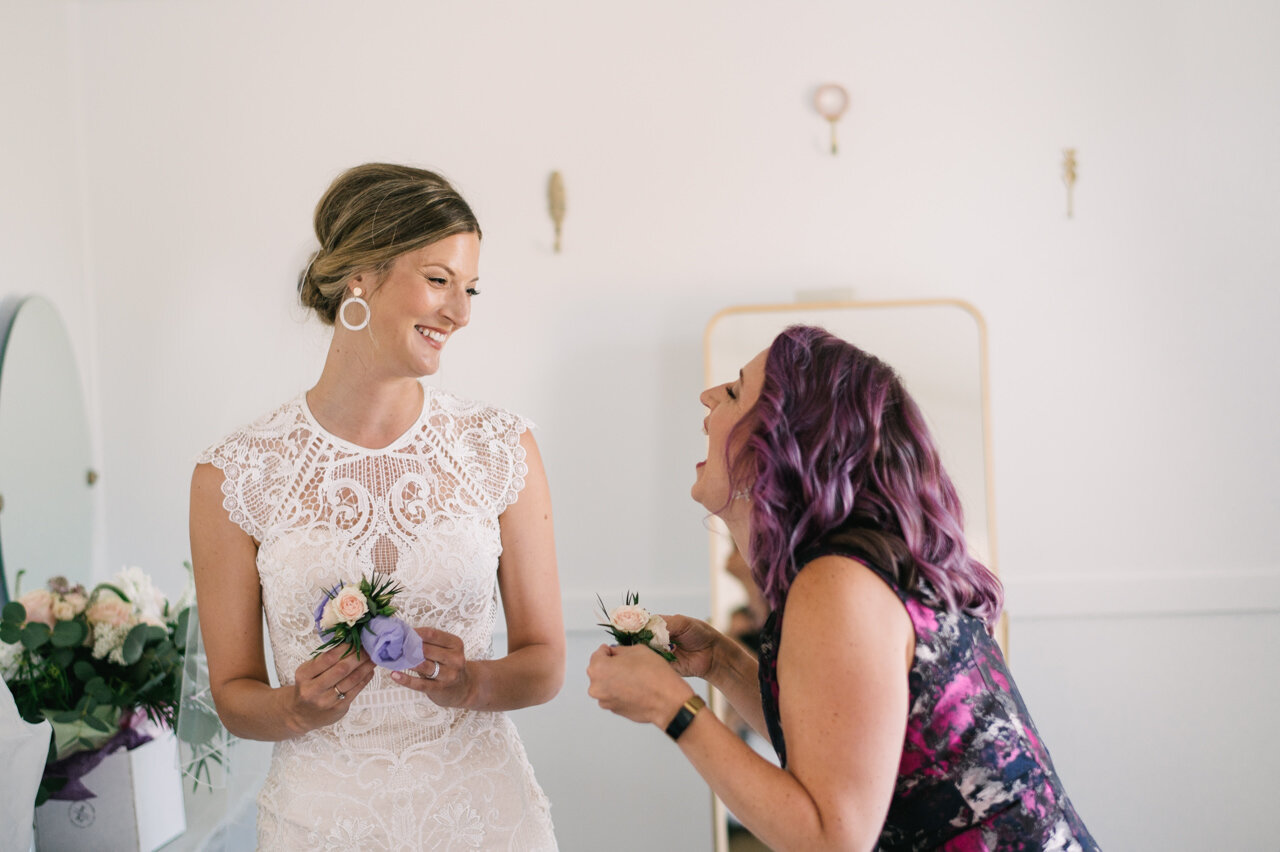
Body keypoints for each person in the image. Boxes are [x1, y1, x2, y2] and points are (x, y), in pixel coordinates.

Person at [587, 325, 1097, 851]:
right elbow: (839, 747)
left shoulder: (838, 582)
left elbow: (833, 839)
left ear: (782, 445)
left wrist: (671, 708)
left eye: (736, 392)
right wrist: (720, 661)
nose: (708, 395)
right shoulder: (855, 566)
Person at [190, 163, 563, 850]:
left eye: (471, 287)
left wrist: (471, 683)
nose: (461, 312)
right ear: (361, 275)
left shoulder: (500, 447)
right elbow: (236, 696)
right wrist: (294, 708)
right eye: (439, 280)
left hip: (482, 819)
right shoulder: (233, 475)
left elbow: (544, 664)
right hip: (322, 824)